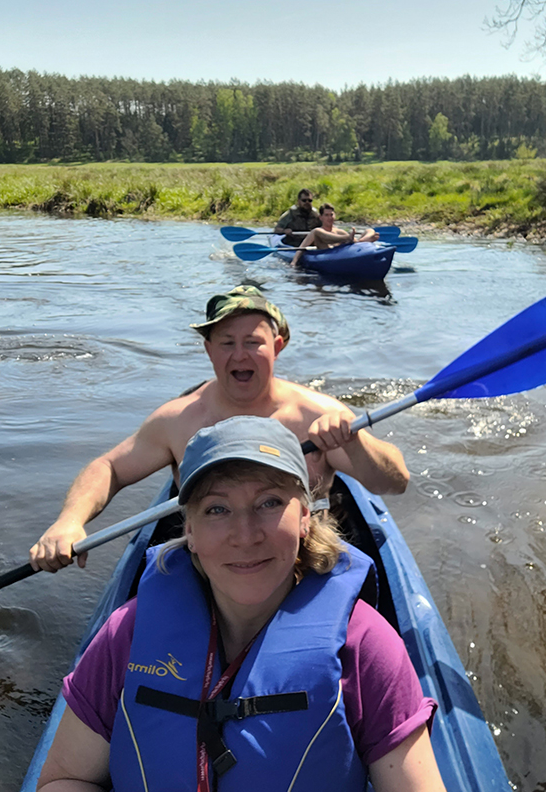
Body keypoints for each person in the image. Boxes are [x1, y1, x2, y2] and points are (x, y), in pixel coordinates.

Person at [36, 416, 446, 792]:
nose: (245, 534)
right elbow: (66, 780)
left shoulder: (366, 647)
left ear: (304, 516)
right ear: (190, 530)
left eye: (269, 502)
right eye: (218, 509)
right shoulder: (127, 634)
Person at [29, 285, 409, 573]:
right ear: (209, 350)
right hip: (209, 559)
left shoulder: (315, 414)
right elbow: (109, 467)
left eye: (253, 343)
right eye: (226, 342)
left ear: (277, 347)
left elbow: (395, 481)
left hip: (301, 555)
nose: (239, 355)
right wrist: (69, 521)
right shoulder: (179, 419)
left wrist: (355, 442)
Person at [290, 203, 379, 266]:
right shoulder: (316, 232)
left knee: (369, 230)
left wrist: (362, 243)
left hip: (340, 252)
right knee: (317, 231)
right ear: (321, 218)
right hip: (325, 253)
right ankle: (346, 238)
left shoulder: (339, 231)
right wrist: (294, 262)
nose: (330, 218)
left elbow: (356, 244)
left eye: (331, 215)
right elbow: (301, 248)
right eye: (326, 215)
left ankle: (364, 240)